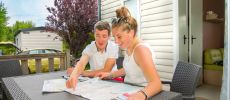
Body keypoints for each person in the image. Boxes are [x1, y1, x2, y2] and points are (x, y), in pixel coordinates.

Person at [96, 7, 162, 100]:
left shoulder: (141, 50)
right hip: (129, 90)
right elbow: (130, 68)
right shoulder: (129, 48)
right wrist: (109, 75)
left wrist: (141, 95)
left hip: (143, 93)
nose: (116, 41)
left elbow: (156, 83)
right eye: (114, 37)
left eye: (119, 37)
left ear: (131, 33)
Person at [66, 21, 119, 89]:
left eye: (104, 36)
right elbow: (81, 63)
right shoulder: (90, 48)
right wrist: (74, 75)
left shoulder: (113, 47)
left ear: (109, 37)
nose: (100, 40)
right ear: (94, 35)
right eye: (98, 35)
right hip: (95, 81)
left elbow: (106, 70)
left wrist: (82, 72)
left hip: (112, 81)